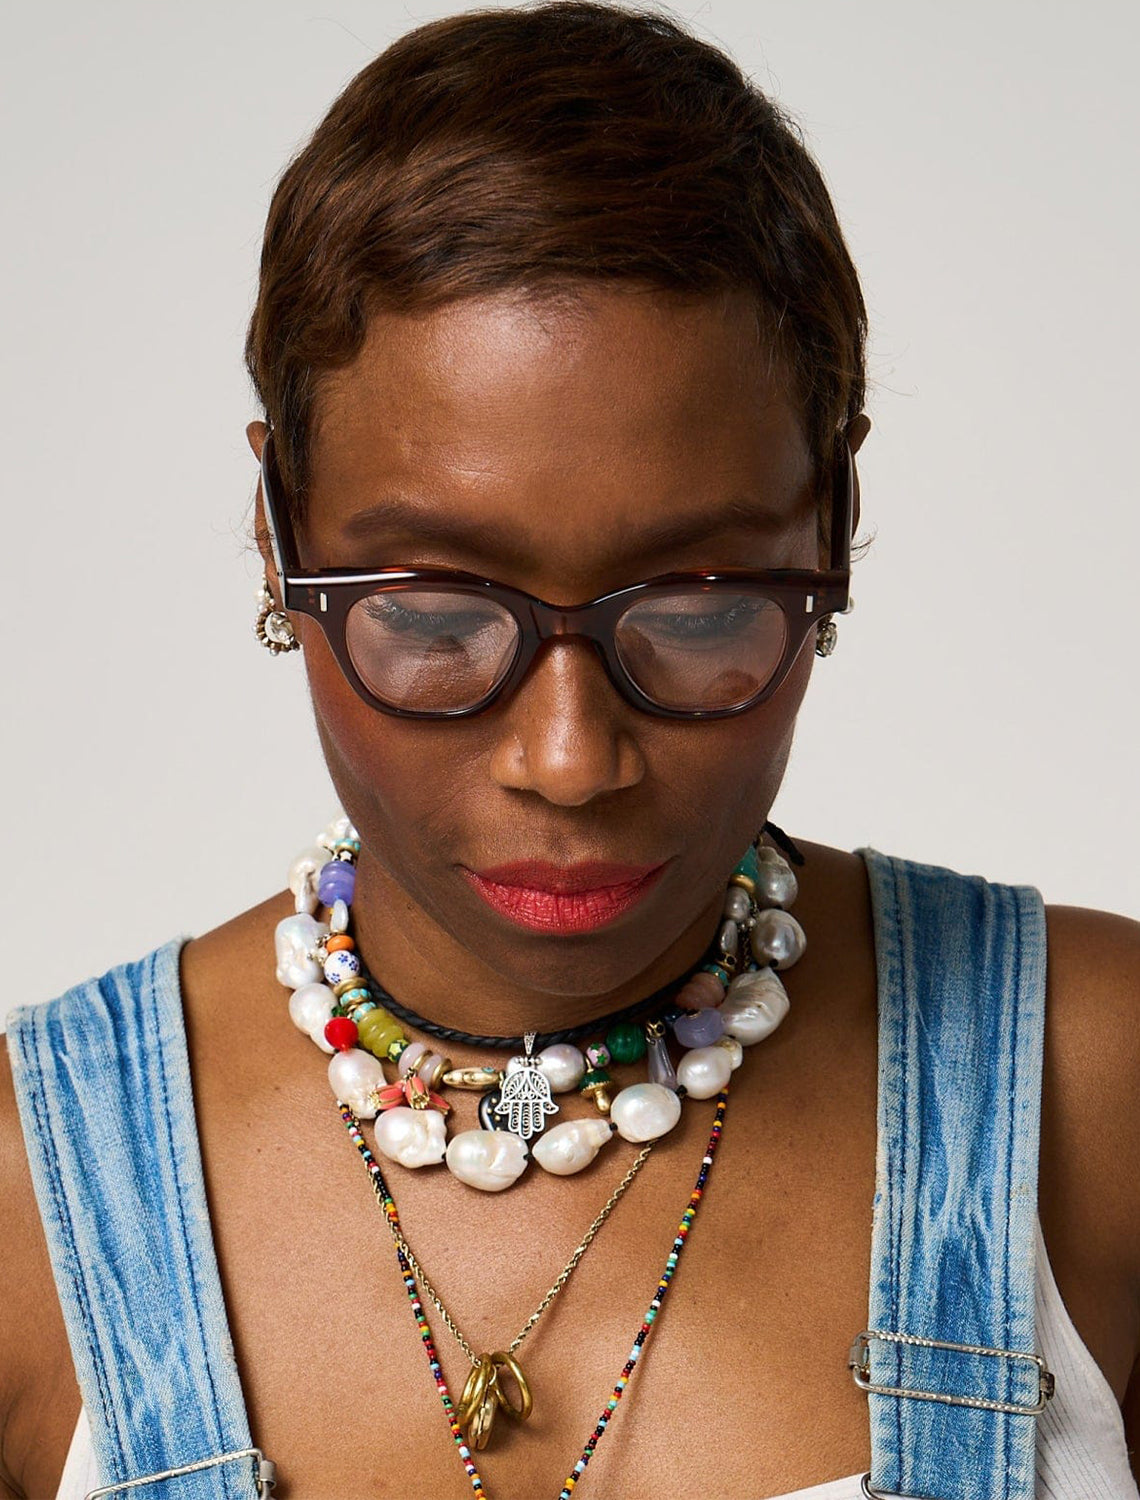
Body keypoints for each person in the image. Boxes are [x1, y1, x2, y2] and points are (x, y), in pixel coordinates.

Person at [2, 4, 1137, 1498]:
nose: (568, 758)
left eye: (699, 610)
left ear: (833, 516)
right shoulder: (26, 1209)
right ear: (279, 535)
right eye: (434, 616)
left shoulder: (1093, 1087)